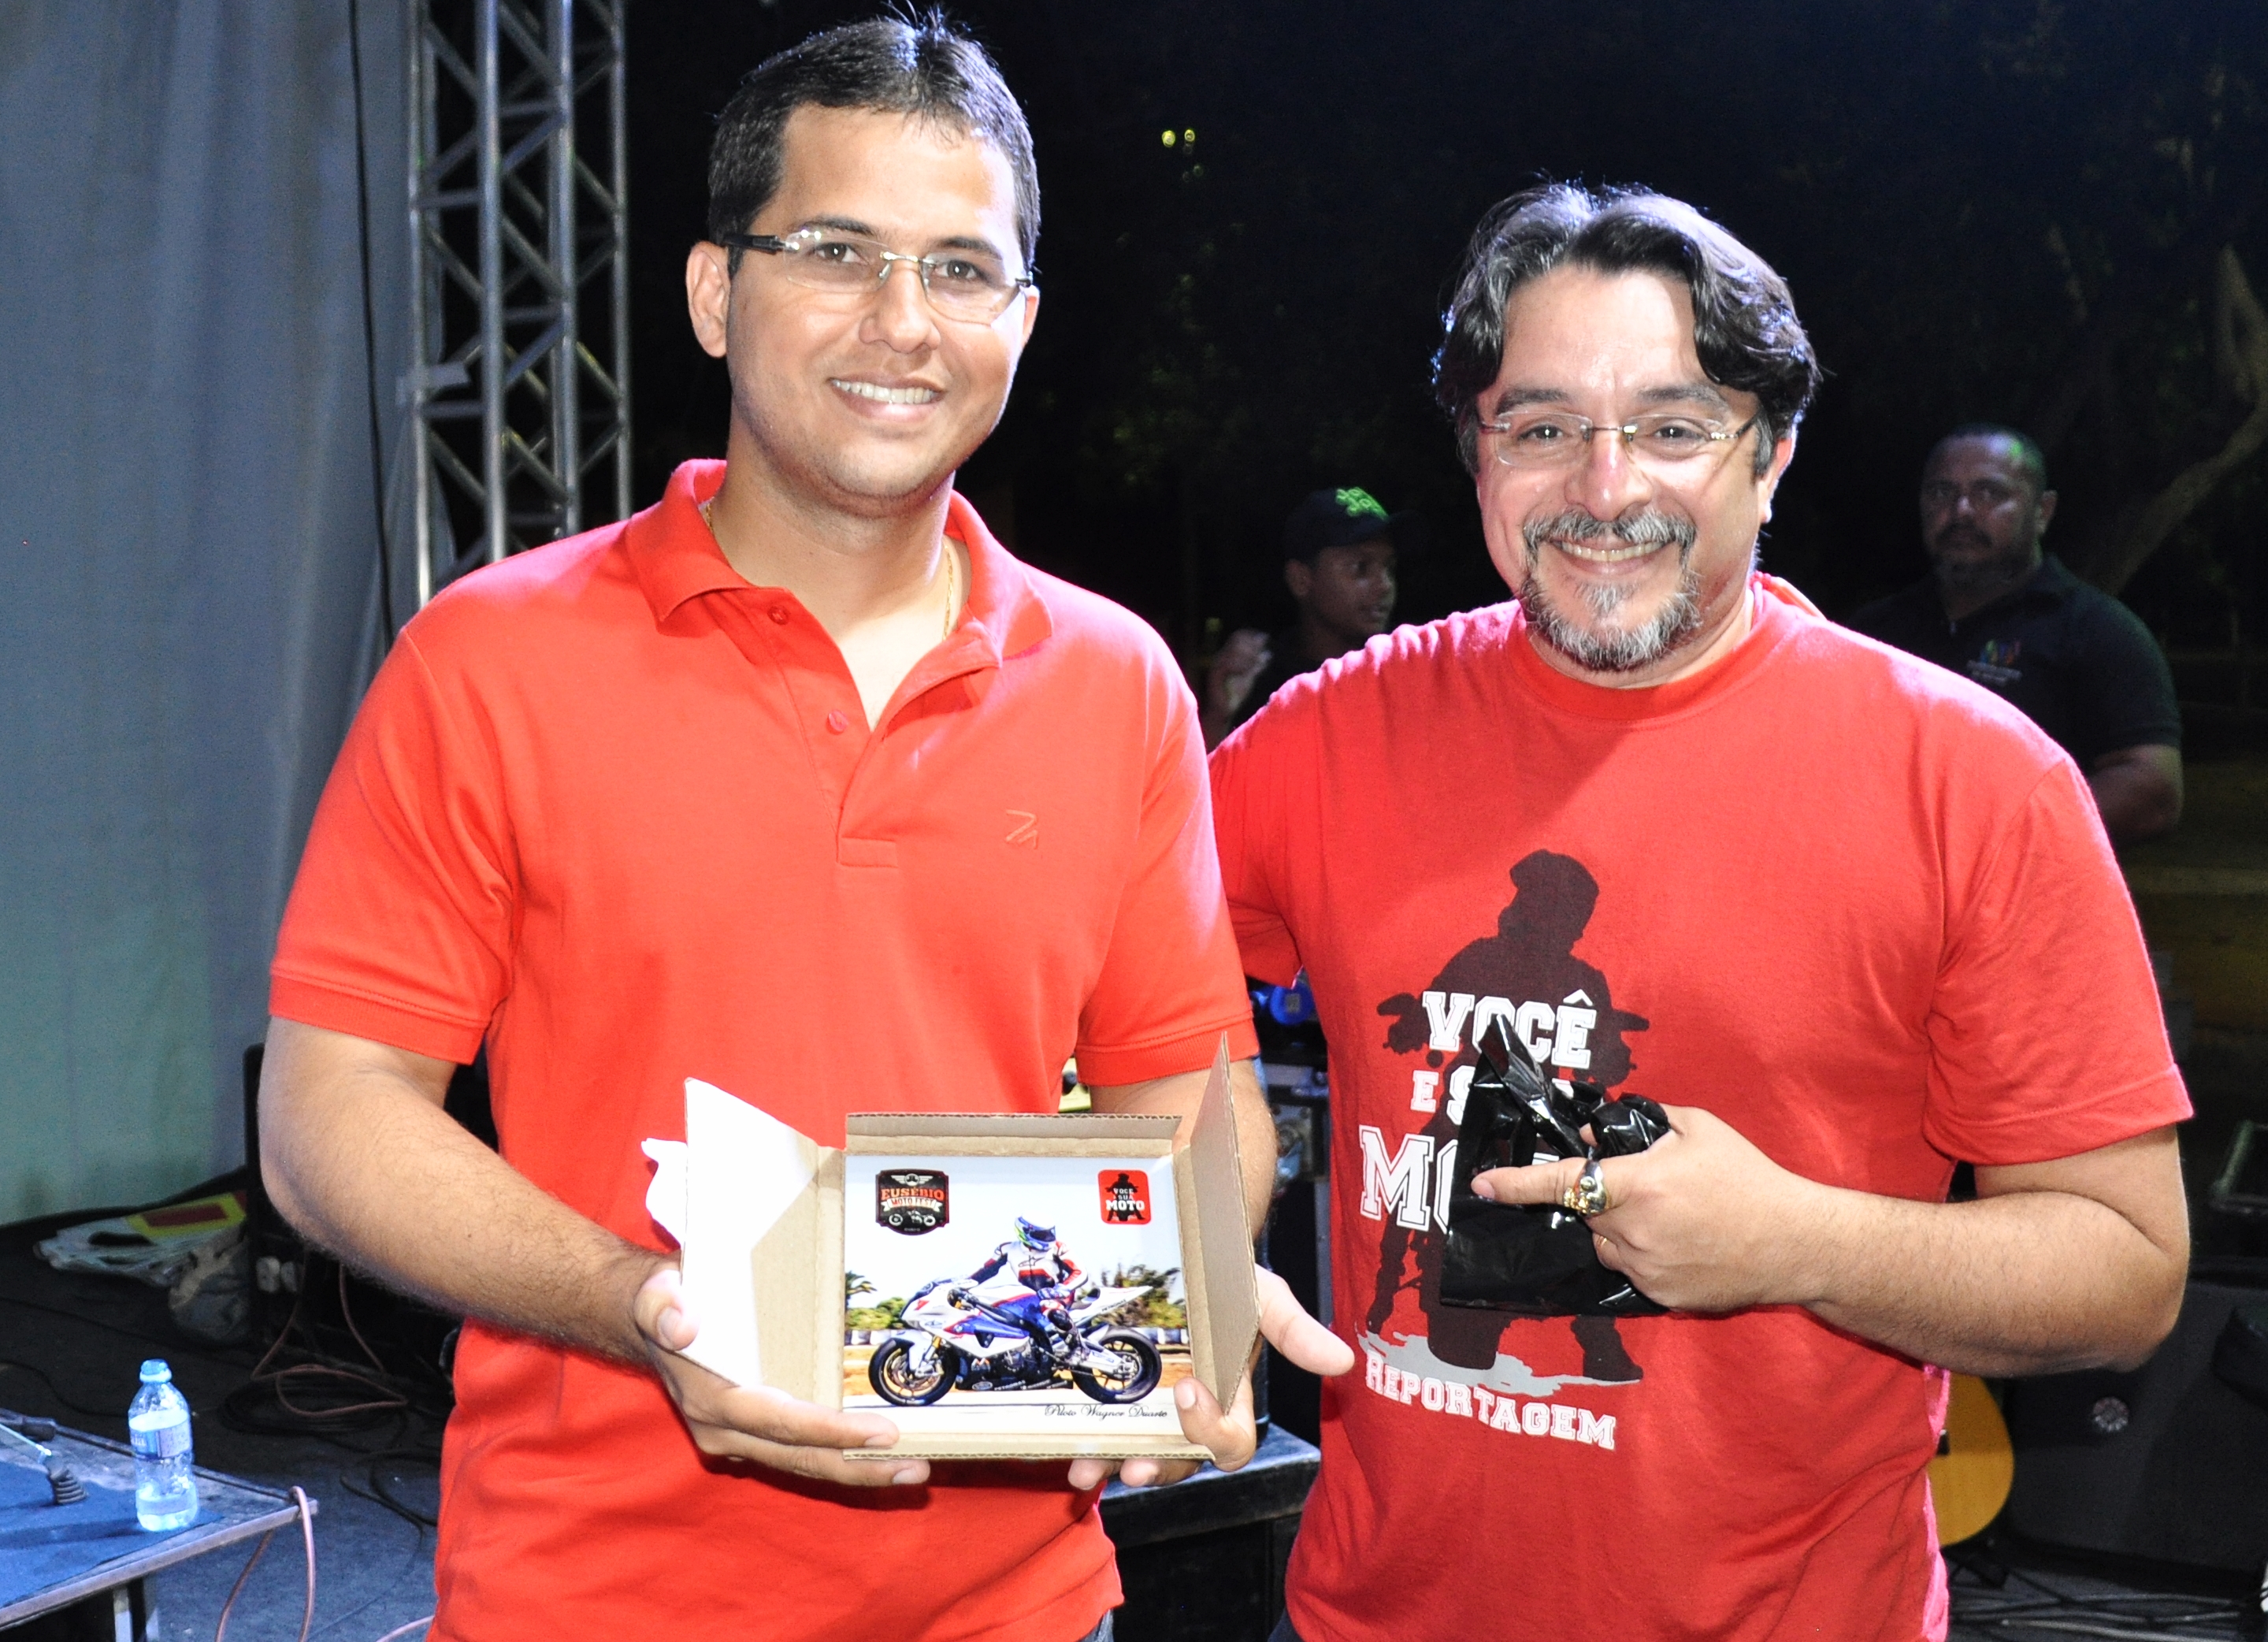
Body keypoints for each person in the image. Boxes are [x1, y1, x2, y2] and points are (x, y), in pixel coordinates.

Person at [257, 17, 1345, 1642]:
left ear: (1018, 322)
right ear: (715, 292)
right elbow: (326, 1113)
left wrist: (1184, 1278)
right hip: (592, 1600)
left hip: (1020, 1607)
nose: (900, 321)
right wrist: (636, 1303)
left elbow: (1187, 1093)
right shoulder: (491, 657)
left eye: (959, 269)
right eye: (836, 251)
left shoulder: (1114, 681)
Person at [1208, 184, 2190, 1642]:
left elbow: (2125, 1273)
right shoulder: (1327, 735)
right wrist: (1196, 1221)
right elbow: (1104, 981)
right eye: (1539, 428)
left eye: (1671, 427)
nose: (1602, 488)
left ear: (1770, 453)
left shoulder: (1970, 782)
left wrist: (1796, 1240)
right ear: (1476, 453)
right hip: (1364, 1614)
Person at [1852, 425, 2184, 845]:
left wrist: (1988, 835)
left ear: (2042, 512)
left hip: (2026, 880)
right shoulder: (1874, 633)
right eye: (1941, 492)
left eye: (1990, 493)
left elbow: (2153, 792)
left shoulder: (2098, 631)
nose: (1962, 511)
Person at [1201, 487, 1408, 748]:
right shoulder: (1260, 685)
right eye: (1361, 568)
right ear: (1301, 579)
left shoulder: (1408, 672)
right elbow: (1207, 772)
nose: (1385, 585)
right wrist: (1219, 716)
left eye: (1389, 568)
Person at [963, 1217, 1087, 1347]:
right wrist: (962, 1284)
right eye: (1041, 1234)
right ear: (1023, 1232)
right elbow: (986, 1271)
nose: (1047, 1238)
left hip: (1059, 1295)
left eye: (1049, 1233)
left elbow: (1080, 1272)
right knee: (995, 1313)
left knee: (1051, 1308)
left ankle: (1079, 1348)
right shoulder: (1007, 1249)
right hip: (1030, 1298)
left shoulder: (1058, 1247)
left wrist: (1060, 1289)